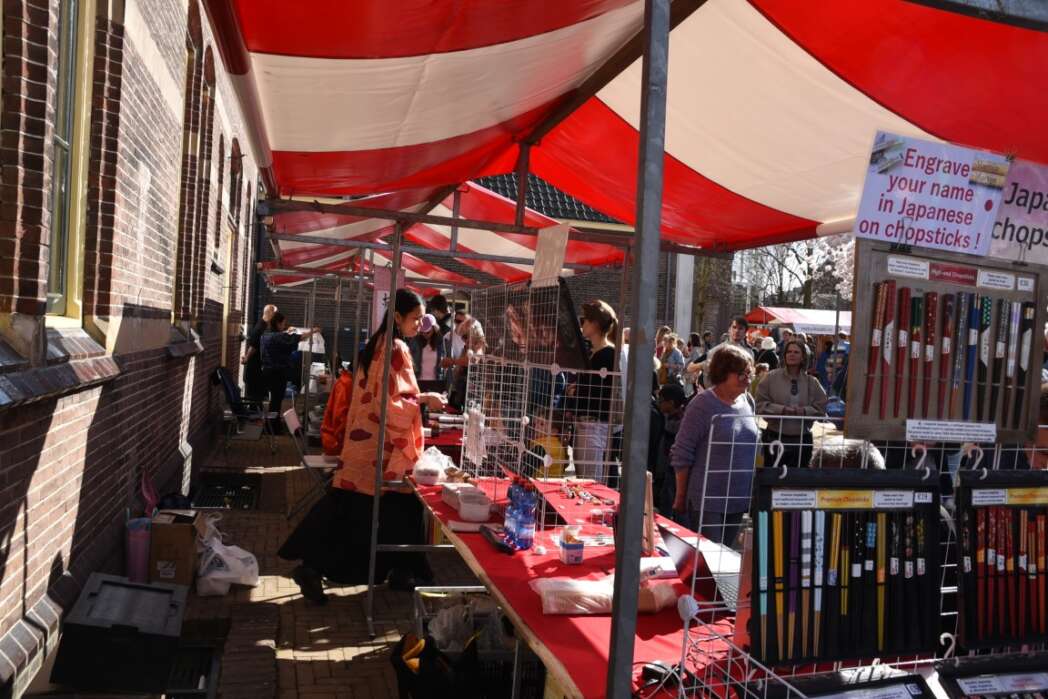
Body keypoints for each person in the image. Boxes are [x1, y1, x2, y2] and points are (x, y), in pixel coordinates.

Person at [279, 290, 447, 603]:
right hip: (379, 452)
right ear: (398, 317)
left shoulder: (376, 345)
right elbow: (390, 403)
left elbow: (383, 397)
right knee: (369, 511)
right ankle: (395, 569)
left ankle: (399, 570)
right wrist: (426, 399)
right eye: (414, 318)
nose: (418, 324)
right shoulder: (395, 348)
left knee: (359, 511)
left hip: (364, 445)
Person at [671, 344, 758, 546]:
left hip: (738, 498)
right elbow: (682, 453)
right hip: (708, 500)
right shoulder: (702, 404)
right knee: (709, 559)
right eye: (741, 374)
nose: (747, 379)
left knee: (725, 557)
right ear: (723, 373)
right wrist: (681, 496)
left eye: (749, 373)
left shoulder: (747, 401)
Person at [755, 339, 828, 470]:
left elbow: (821, 408)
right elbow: (759, 405)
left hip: (802, 440)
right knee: (772, 477)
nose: (791, 354)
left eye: (796, 352)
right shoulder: (770, 378)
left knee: (798, 478)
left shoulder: (812, 382)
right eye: (789, 351)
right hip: (774, 437)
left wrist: (804, 411)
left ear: (803, 357)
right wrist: (781, 410)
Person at [567, 300, 619, 481]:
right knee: (584, 479)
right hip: (585, 425)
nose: (582, 324)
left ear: (595, 324)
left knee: (591, 482)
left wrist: (576, 392)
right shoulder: (594, 353)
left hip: (594, 426)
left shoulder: (607, 354)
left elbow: (600, 393)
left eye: (586, 320)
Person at [260, 312, 321, 428]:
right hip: (278, 373)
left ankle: (273, 423)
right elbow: (299, 337)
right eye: (283, 324)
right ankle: (272, 426)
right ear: (278, 323)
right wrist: (313, 330)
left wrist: (287, 332)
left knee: (274, 399)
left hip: (267, 371)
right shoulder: (279, 336)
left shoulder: (265, 336)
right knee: (276, 400)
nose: (284, 326)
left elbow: (279, 341)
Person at [687, 316, 755, 388]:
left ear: (745, 332)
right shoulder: (718, 350)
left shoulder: (749, 352)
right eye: (734, 327)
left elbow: (750, 375)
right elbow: (690, 367)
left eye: (740, 328)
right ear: (729, 330)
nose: (737, 331)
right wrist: (705, 365)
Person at [654, 383, 687, 518]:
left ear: (671, 403)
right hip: (665, 467)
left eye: (661, 401)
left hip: (676, 468)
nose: (659, 403)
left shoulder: (684, 421)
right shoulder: (664, 417)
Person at [242, 304, 276, 400]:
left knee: (257, 395)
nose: (275, 316)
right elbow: (253, 346)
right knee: (255, 396)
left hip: (257, 367)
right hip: (255, 368)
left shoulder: (263, 326)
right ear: (269, 313)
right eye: (274, 313)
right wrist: (246, 358)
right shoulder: (260, 327)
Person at [320, 357, 353, 456]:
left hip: (332, 438)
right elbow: (340, 418)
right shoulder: (347, 384)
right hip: (336, 444)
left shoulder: (344, 381)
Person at [410, 314, 445, 383]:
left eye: (428, 332)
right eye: (422, 332)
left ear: (434, 329)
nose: (424, 335)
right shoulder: (415, 341)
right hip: (417, 381)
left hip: (436, 382)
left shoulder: (441, 342)